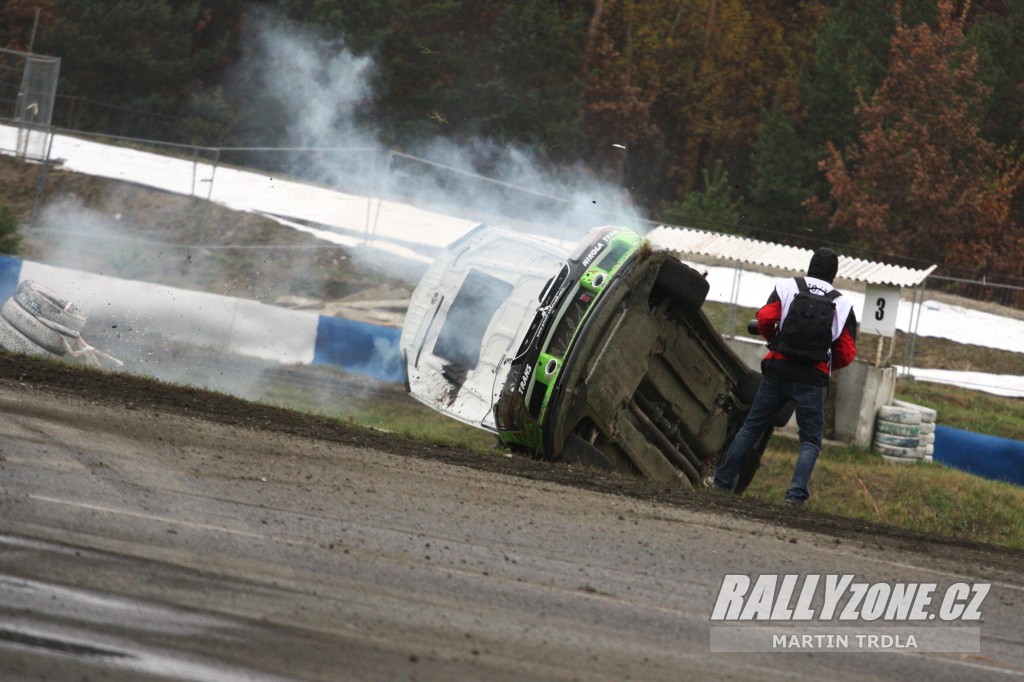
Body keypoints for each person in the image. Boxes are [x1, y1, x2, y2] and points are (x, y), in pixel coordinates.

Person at [708, 247, 857, 507]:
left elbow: (766, 318)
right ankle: (795, 497)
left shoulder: (788, 287)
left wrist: (774, 340)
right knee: (810, 440)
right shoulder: (843, 304)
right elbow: (846, 352)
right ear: (834, 274)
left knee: (751, 428)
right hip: (812, 378)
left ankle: (721, 482)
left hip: (778, 370)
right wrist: (825, 364)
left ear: (810, 266)